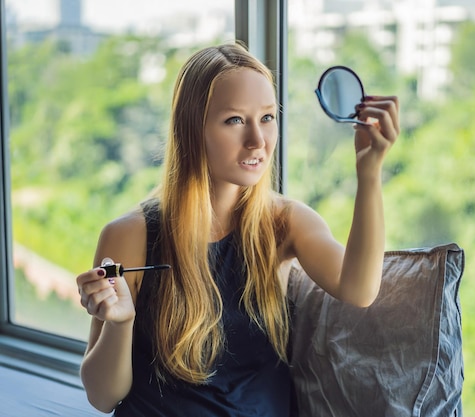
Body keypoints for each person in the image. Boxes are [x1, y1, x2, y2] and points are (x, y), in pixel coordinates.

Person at [76, 42, 399, 416]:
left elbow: (358, 288)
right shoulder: (128, 236)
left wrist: (369, 172)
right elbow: (102, 397)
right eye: (234, 120)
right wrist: (121, 322)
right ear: (192, 129)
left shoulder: (286, 222)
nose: (258, 141)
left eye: (267, 117)